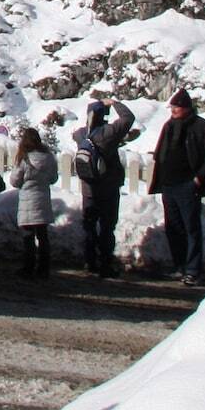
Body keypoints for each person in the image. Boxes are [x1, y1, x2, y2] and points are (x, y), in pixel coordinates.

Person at [149, 89, 205, 287]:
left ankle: (193, 270)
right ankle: (179, 265)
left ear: (187, 108)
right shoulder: (169, 125)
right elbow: (160, 153)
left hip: (188, 185)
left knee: (191, 228)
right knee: (173, 228)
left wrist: (198, 179)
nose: (173, 110)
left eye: (177, 107)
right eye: (172, 106)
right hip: (169, 184)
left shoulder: (202, 127)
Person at [74, 97, 136, 278]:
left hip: (88, 189)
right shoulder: (108, 133)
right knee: (107, 227)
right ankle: (105, 264)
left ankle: (89, 261)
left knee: (90, 226)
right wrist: (114, 103)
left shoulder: (81, 134)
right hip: (108, 188)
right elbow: (128, 118)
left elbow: (75, 134)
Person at [7, 127, 58, 280]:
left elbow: (15, 181)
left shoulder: (24, 159)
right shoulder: (49, 157)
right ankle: (44, 269)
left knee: (28, 237)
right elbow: (53, 178)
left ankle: (28, 268)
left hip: (27, 203)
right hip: (43, 200)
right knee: (43, 237)